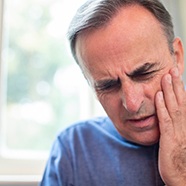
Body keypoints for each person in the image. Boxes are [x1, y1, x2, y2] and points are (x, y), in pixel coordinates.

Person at [40, 0, 186, 185]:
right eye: (108, 85)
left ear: (178, 58)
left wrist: (180, 174)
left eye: (144, 73)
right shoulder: (73, 151)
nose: (132, 104)